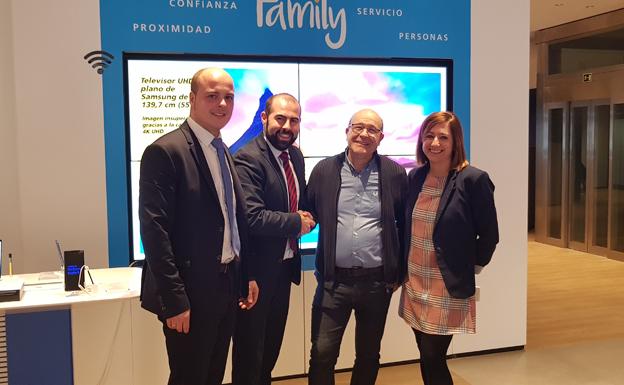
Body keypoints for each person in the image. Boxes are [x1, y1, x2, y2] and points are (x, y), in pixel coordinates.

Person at [139, 67, 259, 385]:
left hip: (226, 286)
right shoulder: (165, 151)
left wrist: (245, 275)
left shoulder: (223, 150)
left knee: (213, 376)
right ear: (192, 99)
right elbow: (154, 231)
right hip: (189, 294)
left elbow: (233, 221)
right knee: (189, 377)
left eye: (229, 98)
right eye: (212, 96)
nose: (222, 104)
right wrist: (175, 300)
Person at [306, 108, 407, 385]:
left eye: (372, 129)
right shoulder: (324, 170)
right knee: (322, 353)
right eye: (358, 127)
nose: (364, 134)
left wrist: (399, 272)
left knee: (368, 355)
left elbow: (405, 226)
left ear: (381, 137)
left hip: (377, 283)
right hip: (333, 282)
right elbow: (308, 213)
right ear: (347, 131)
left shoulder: (395, 174)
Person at [398, 111, 499, 385]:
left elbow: (490, 235)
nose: (434, 143)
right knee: (425, 354)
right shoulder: (415, 177)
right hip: (416, 280)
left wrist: (469, 267)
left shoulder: (473, 179)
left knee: (433, 356)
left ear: (456, 143)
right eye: (429, 136)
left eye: (443, 137)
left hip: (446, 285)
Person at [232, 93, 315, 385]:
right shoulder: (247, 158)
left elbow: (299, 202)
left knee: (269, 352)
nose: (287, 126)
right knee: (249, 356)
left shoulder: (295, 156)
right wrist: (297, 222)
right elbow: (252, 217)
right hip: (256, 275)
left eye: (294, 120)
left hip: (284, 269)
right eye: (280, 118)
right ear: (265, 118)